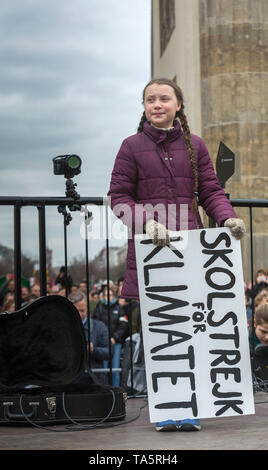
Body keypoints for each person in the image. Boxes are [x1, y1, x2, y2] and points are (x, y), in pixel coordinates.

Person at [108, 77, 246, 432]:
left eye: (164, 98)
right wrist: (148, 223)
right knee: (162, 334)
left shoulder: (195, 145)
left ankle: (190, 406)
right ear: (143, 107)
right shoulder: (130, 146)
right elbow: (119, 199)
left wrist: (226, 217)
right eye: (150, 99)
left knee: (193, 331)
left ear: (177, 105)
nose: (157, 104)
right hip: (151, 253)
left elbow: (211, 190)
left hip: (192, 251)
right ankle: (169, 407)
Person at [68, 290, 109, 384]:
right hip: (71, 382)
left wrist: (93, 350)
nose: (79, 314)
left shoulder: (100, 326)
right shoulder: (63, 328)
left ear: (87, 308)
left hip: (95, 380)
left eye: (82, 311)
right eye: (75, 311)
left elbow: (109, 352)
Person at [94, 286, 129, 386]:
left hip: (116, 343)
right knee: (102, 370)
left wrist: (115, 337)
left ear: (113, 296)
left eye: (109, 295)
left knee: (115, 370)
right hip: (102, 344)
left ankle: (116, 390)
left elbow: (123, 325)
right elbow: (96, 324)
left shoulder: (119, 308)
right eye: (105, 295)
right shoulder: (99, 308)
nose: (107, 297)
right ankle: (103, 391)